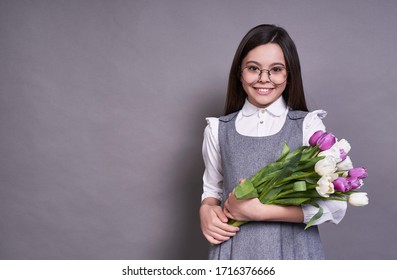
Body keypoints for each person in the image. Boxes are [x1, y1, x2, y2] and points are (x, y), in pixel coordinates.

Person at [199, 24, 347, 260]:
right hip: (234, 252)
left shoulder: (308, 126)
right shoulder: (218, 129)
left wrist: (261, 212)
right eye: (253, 68)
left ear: (289, 74)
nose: (263, 79)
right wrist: (206, 209)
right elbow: (213, 189)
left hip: (295, 253)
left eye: (276, 69)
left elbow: (334, 207)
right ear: (240, 73)